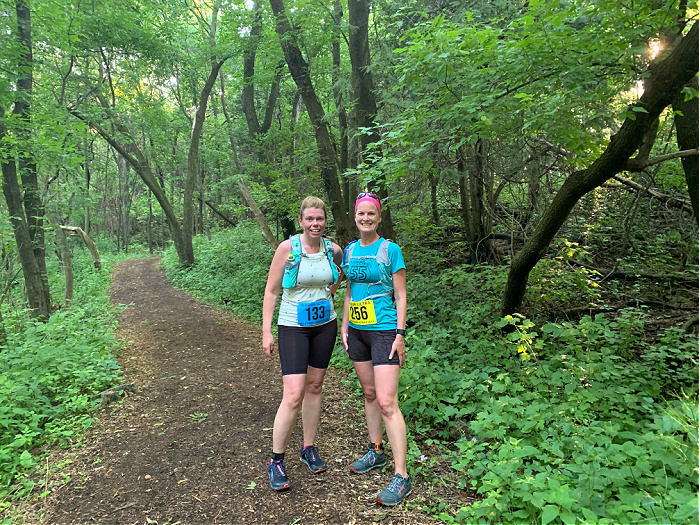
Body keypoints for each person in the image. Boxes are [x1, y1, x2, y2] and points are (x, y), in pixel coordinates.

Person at [262, 196, 343, 491]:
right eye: (310, 219)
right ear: (301, 221)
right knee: (293, 393)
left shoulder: (332, 249)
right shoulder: (287, 249)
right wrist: (266, 332)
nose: (315, 224)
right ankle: (276, 460)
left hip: (325, 324)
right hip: (293, 326)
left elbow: (338, 272)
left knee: (315, 386)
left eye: (319, 219)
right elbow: (271, 292)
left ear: (325, 221)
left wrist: (328, 293)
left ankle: (308, 448)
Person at [341, 191, 411, 506]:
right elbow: (348, 292)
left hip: (384, 332)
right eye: (361, 214)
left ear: (379, 217)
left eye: (371, 214)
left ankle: (402, 476)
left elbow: (400, 295)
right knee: (369, 395)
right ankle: (376, 451)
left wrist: (400, 333)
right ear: (355, 218)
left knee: (386, 402)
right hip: (357, 332)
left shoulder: (390, 250)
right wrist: (344, 328)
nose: (366, 218)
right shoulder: (350, 251)